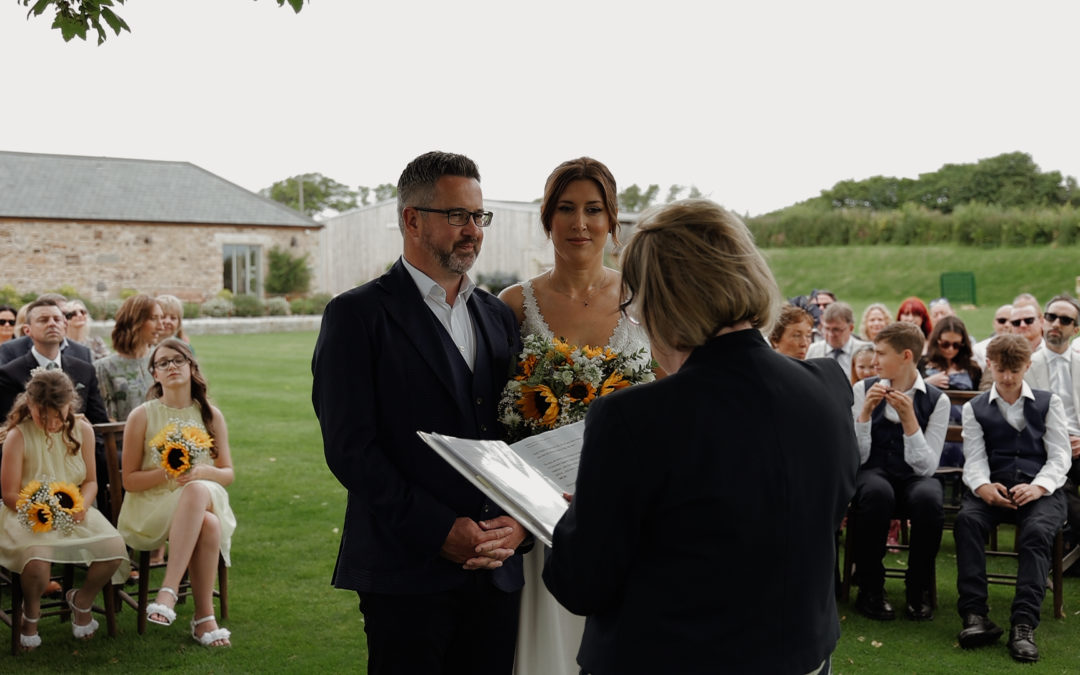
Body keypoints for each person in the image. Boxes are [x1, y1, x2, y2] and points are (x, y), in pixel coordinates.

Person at [543, 199, 859, 675]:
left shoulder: (633, 417)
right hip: (802, 653)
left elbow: (582, 583)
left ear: (662, 300)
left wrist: (577, 516)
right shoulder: (827, 385)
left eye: (634, 305)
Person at [311, 151, 528, 674]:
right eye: (457, 215)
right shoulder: (357, 315)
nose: (473, 230)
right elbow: (350, 449)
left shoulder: (497, 314)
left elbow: (518, 433)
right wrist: (438, 530)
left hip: (497, 571)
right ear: (411, 219)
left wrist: (519, 524)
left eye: (479, 217)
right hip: (404, 572)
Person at [498, 157, 651, 675]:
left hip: (626, 510)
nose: (579, 223)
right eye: (565, 209)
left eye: (593, 209)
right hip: (540, 514)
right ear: (547, 219)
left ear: (612, 221)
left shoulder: (644, 298)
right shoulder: (514, 304)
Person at [954, 334, 1069, 663]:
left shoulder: (1049, 402)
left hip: (1041, 489)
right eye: (1001, 369)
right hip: (994, 485)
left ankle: (1023, 624)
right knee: (967, 522)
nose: (1006, 378)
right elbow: (974, 457)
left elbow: (1060, 456)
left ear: (1027, 366)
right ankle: (975, 616)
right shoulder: (975, 408)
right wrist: (983, 486)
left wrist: (1038, 487)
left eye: (1014, 370)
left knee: (1036, 534)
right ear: (990, 364)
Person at [115, 338, 235, 647]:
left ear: (192, 367)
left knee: (196, 490)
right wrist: (165, 472)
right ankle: (203, 617)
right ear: (154, 374)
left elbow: (227, 474)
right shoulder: (142, 415)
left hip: (200, 495)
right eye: (162, 363)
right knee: (208, 523)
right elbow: (129, 480)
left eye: (178, 360)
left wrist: (202, 471)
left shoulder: (210, 415)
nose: (171, 367)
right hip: (151, 505)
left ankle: (169, 594)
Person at [0, 369, 128, 650]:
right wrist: (40, 510)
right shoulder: (18, 436)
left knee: (114, 548)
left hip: (73, 510)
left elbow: (92, 481)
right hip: (25, 514)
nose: (51, 423)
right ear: (30, 405)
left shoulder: (82, 430)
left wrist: (80, 505)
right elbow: (9, 494)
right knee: (37, 562)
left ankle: (81, 601)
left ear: (70, 405)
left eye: (58, 415)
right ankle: (30, 613)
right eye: (42, 416)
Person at [849, 322, 950, 621]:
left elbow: (928, 467)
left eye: (881, 353)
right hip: (874, 471)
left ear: (906, 355)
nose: (874, 360)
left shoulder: (937, 401)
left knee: (929, 498)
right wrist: (865, 414)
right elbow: (857, 459)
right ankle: (870, 589)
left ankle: (917, 588)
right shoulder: (862, 389)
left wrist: (910, 421)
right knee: (877, 492)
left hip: (914, 477)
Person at [0, 298, 112, 513]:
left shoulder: (84, 369)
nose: (52, 323)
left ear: (65, 326)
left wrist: (84, 449)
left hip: (76, 451)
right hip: (30, 461)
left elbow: (99, 419)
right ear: (27, 330)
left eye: (57, 319)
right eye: (43, 320)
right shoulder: (10, 374)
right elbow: (7, 425)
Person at [1024, 295, 1080, 550]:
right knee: (1064, 494)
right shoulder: (1025, 366)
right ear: (1042, 322)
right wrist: (1059, 444)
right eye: (1051, 317)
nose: (1056, 323)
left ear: (1075, 329)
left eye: (1065, 320)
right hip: (1044, 450)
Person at [922, 316, 982, 467]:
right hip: (931, 430)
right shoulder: (922, 364)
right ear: (936, 341)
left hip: (964, 431)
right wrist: (927, 383)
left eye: (956, 345)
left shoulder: (972, 368)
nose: (950, 349)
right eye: (945, 344)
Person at [94, 294, 163, 422]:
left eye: (161, 318)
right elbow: (109, 419)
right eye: (153, 319)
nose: (161, 326)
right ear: (135, 321)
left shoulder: (163, 360)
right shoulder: (104, 367)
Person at [0, 294, 93, 365]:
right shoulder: (12, 350)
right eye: (45, 319)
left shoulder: (82, 352)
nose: (54, 322)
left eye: (66, 315)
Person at [806, 302, 870, 380]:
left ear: (851, 328)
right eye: (827, 329)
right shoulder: (812, 351)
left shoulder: (866, 350)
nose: (830, 334)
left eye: (836, 330)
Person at [973, 304, 1013, 369]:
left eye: (1011, 321)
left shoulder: (1026, 347)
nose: (1007, 325)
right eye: (1002, 321)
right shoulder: (979, 349)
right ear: (994, 323)